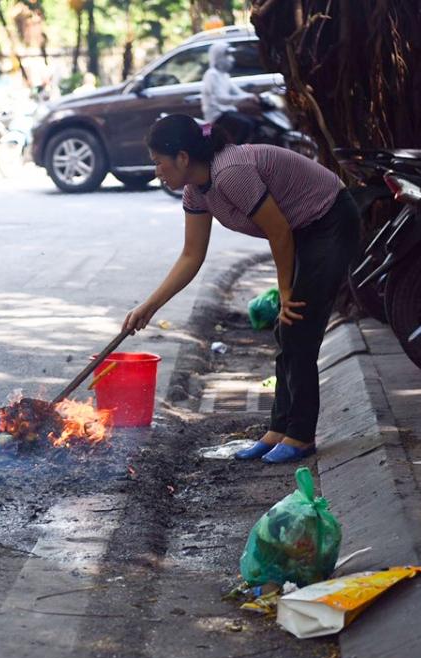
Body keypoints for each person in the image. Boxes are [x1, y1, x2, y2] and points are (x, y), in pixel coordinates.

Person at [124, 114, 358, 464]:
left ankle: (301, 436)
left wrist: (286, 293)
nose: (157, 171)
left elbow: (278, 231)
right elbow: (191, 256)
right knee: (286, 330)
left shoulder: (229, 173)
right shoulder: (196, 191)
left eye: (159, 162)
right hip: (302, 232)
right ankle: (279, 429)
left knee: (298, 327)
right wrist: (149, 307)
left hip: (330, 220)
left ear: (183, 158)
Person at [201, 41, 260, 145]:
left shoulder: (224, 75)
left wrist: (249, 96)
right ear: (218, 56)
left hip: (227, 111)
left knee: (256, 122)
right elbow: (221, 99)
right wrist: (245, 97)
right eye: (226, 55)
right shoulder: (212, 75)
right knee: (246, 125)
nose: (230, 58)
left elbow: (237, 92)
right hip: (217, 115)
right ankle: (234, 152)